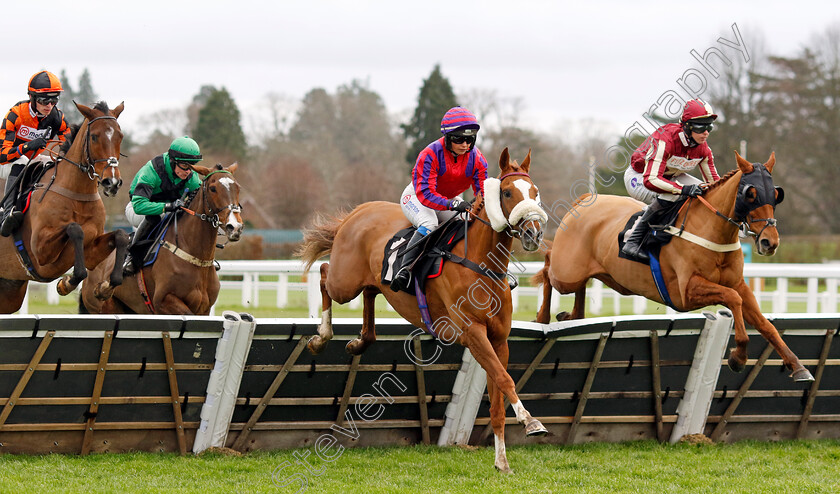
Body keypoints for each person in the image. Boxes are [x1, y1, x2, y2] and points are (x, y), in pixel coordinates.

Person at [390, 106, 489, 292]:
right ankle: (404, 270)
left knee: (468, 223)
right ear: (448, 137)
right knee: (429, 223)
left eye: (469, 139)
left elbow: (482, 193)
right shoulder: (430, 154)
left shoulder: (478, 159)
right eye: (459, 139)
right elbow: (426, 194)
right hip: (417, 197)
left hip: (449, 199)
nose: (465, 145)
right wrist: (452, 203)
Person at [621, 98, 720, 261]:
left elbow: (715, 185)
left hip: (669, 176)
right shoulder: (666, 139)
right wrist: (683, 189)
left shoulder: (704, 149)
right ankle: (633, 240)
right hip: (639, 176)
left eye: (709, 126)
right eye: (701, 126)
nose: (706, 132)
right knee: (673, 193)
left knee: (705, 191)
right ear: (687, 126)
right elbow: (651, 180)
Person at [0, 70, 71, 236]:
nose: (49, 105)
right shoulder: (15, 114)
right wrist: (27, 146)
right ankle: (6, 213)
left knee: (53, 164)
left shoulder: (57, 117)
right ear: (32, 98)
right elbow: (2, 155)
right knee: (21, 162)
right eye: (44, 100)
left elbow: (68, 143)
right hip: (7, 161)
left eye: (54, 99)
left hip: (32, 159)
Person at [122, 136, 203, 275]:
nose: (188, 171)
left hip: (167, 211)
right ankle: (131, 256)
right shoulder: (152, 171)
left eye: (192, 166)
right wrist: (167, 207)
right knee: (157, 216)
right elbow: (139, 206)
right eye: (185, 166)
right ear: (172, 161)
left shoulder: (191, 177)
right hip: (138, 210)